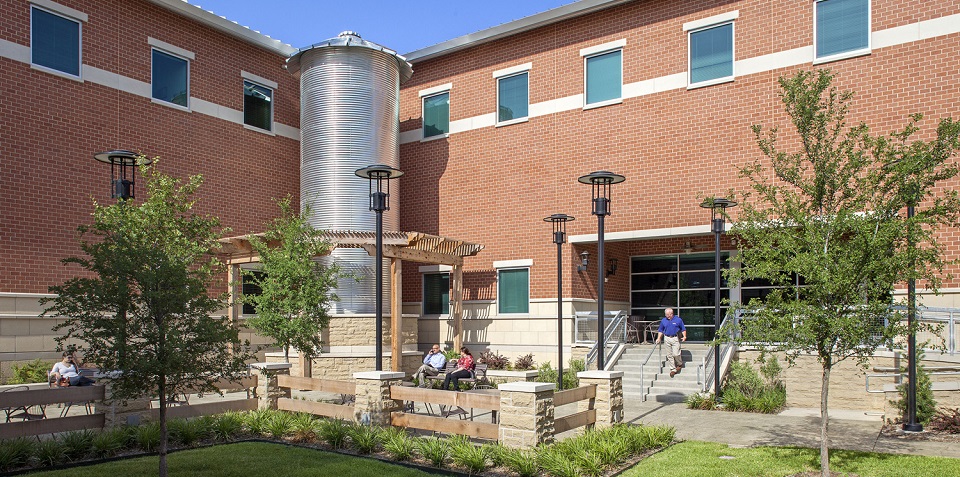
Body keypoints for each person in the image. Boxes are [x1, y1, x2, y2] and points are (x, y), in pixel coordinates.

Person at [655, 308, 687, 377]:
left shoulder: (678, 320)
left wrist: (684, 336)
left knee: (676, 354)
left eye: (669, 315)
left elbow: (683, 329)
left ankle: (679, 363)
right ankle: (673, 369)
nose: (667, 316)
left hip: (675, 338)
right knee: (669, 355)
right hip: (666, 338)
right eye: (666, 315)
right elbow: (661, 330)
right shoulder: (663, 320)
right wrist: (658, 338)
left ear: (672, 314)